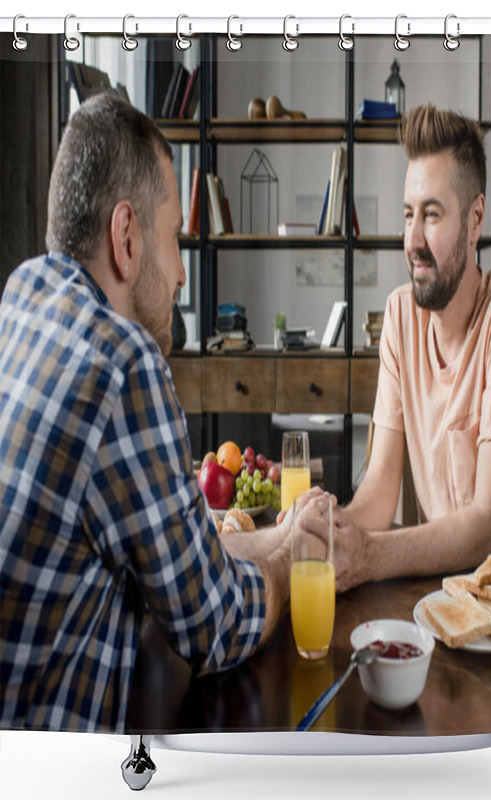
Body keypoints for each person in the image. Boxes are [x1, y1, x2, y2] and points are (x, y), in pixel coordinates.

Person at [0, 93, 322, 732]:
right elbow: (213, 624)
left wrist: (268, 538)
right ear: (126, 236)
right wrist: (292, 557)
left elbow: (172, 560)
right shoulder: (123, 362)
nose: (181, 273)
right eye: (174, 237)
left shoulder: (22, 295)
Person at [333, 104, 491, 592]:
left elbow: (484, 525)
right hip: (442, 600)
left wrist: (369, 555)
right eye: (408, 214)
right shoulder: (399, 316)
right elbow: (378, 489)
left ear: (475, 220)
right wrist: (336, 532)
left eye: (432, 215)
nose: (412, 239)